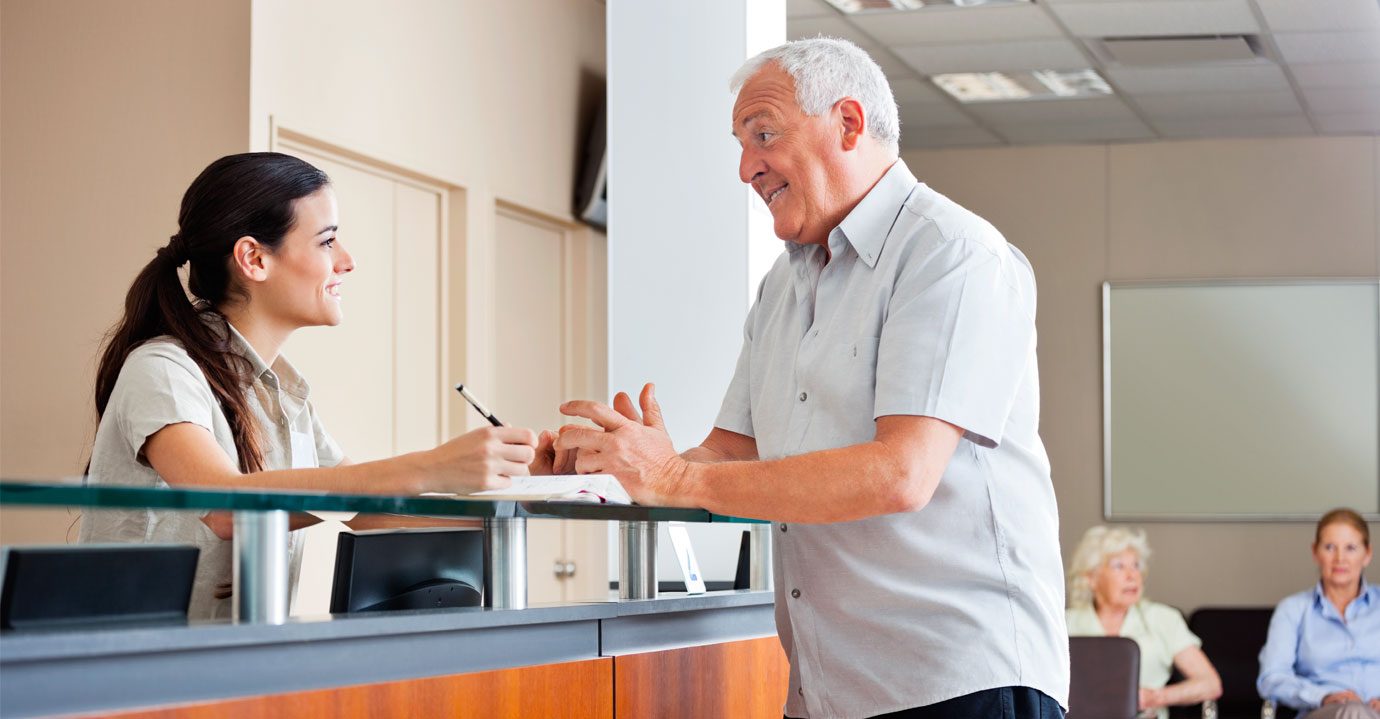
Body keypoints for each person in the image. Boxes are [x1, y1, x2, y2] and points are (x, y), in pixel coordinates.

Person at [555, 38, 1068, 718]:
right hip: (829, 687)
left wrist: (678, 478)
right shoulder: (784, 285)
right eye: (740, 143)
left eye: (763, 135)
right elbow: (730, 454)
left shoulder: (952, 255)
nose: (745, 168)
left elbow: (901, 474)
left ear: (849, 124)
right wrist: (620, 463)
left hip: (957, 682)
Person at [81, 152, 555, 619]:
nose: (347, 261)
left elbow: (369, 512)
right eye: (327, 242)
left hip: (227, 667)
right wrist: (430, 467)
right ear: (253, 258)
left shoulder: (285, 395)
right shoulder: (162, 369)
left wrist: (532, 489)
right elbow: (225, 508)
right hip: (133, 672)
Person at [1065, 526, 1222, 719]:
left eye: (1136, 566)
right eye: (1118, 566)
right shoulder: (1065, 623)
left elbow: (1210, 684)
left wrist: (1154, 697)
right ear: (1091, 578)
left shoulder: (1163, 619)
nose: (1132, 576)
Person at [1258, 508, 1379, 719]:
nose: (1340, 558)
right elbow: (1272, 678)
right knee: (1354, 712)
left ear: (1367, 554)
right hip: (1324, 712)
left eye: (1351, 548)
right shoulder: (1293, 609)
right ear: (1315, 552)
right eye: (1330, 547)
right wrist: (1323, 696)